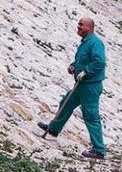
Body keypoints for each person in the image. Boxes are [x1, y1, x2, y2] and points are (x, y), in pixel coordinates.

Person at [37, 17, 106, 160]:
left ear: (90, 27)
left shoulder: (95, 43)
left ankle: (99, 150)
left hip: (90, 86)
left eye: (81, 25)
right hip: (81, 85)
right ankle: (53, 129)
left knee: (91, 116)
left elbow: (99, 62)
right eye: (78, 24)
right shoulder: (86, 42)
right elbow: (83, 59)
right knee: (66, 103)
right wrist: (74, 65)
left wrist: (86, 71)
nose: (78, 26)